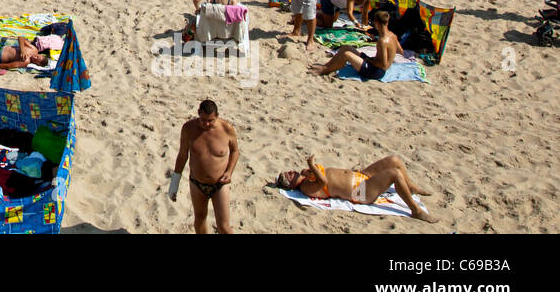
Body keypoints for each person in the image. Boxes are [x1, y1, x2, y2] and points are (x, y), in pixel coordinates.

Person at [275, 152, 437, 222]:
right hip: (360, 192)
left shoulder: (307, 176)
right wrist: (312, 166)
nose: (290, 172)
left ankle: (411, 187)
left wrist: (309, 170)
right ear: (291, 185)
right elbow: (324, 182)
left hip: (361, 177)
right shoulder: (305, 188)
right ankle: (416, 211)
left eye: (288, 172)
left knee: (394, 160)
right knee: (394, 173)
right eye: (288, 176)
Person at [169, 99, 239, 234]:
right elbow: (183, 155)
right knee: (200, 219)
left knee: (224, 226)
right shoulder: (188, 129)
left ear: (217, 116)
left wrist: (229, 172)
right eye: (203, 120)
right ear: (198, 114)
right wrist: (174, 182)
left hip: (220, 185)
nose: (206, 124)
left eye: (211, 120)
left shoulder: (226, 128)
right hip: (197, 184)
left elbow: (235, 151)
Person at [311, 9, 398, 79]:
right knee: (346, 48)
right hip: (374, 64)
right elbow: (399, 49)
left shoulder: (382, 40)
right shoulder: (393, 35)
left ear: (376, 23)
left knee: (346, 54)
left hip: (375, 72)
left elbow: (383, 64)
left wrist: (369, 60)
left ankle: (325, 70)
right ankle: (326, 66)